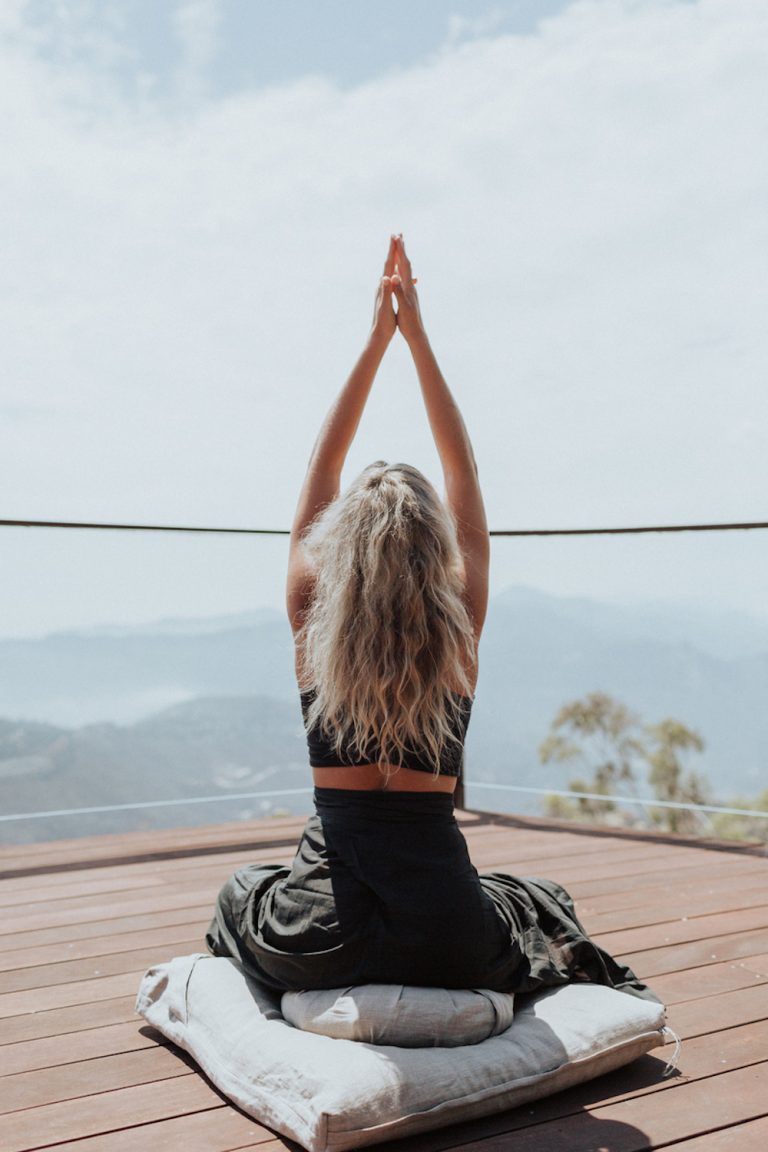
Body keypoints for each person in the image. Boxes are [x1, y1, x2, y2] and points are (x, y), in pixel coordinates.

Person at [206, 235, 658, 1003]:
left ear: (339, 548)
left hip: (321, 929)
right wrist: (418, 338)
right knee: (532, 898)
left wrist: (374, 340)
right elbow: (465, 473)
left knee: (241, 890)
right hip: (445, 932)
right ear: (435, 550)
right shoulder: (459, 633)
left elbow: (319, 467)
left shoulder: (312, 619)